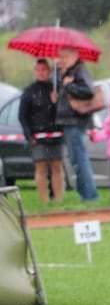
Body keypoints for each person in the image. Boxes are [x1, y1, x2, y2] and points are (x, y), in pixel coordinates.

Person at [55, 46, 99, 202]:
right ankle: (86, 195)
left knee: (79, 159)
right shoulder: (66, 73)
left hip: (75, 121)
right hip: (69, 121)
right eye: (60, 57)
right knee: (76, 159)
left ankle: (90, 196)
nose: (61, 60)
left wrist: (68, 85)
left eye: (64, 57)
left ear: (75, 56)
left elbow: (89, 91)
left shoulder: (79, 70)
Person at [18, 59, 64, 203]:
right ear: (34, 72)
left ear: (49, 71)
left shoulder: (56, 89)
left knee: (57, 167)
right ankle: (44, 201)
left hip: (56, 134)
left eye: (44, 69)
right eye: (38, 70)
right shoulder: (28, 91)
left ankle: (59, 200)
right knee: (41, 168)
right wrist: (29, 135)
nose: (41, 72)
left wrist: (57, 103)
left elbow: (63, 113)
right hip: (37, 136)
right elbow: (22, 116)